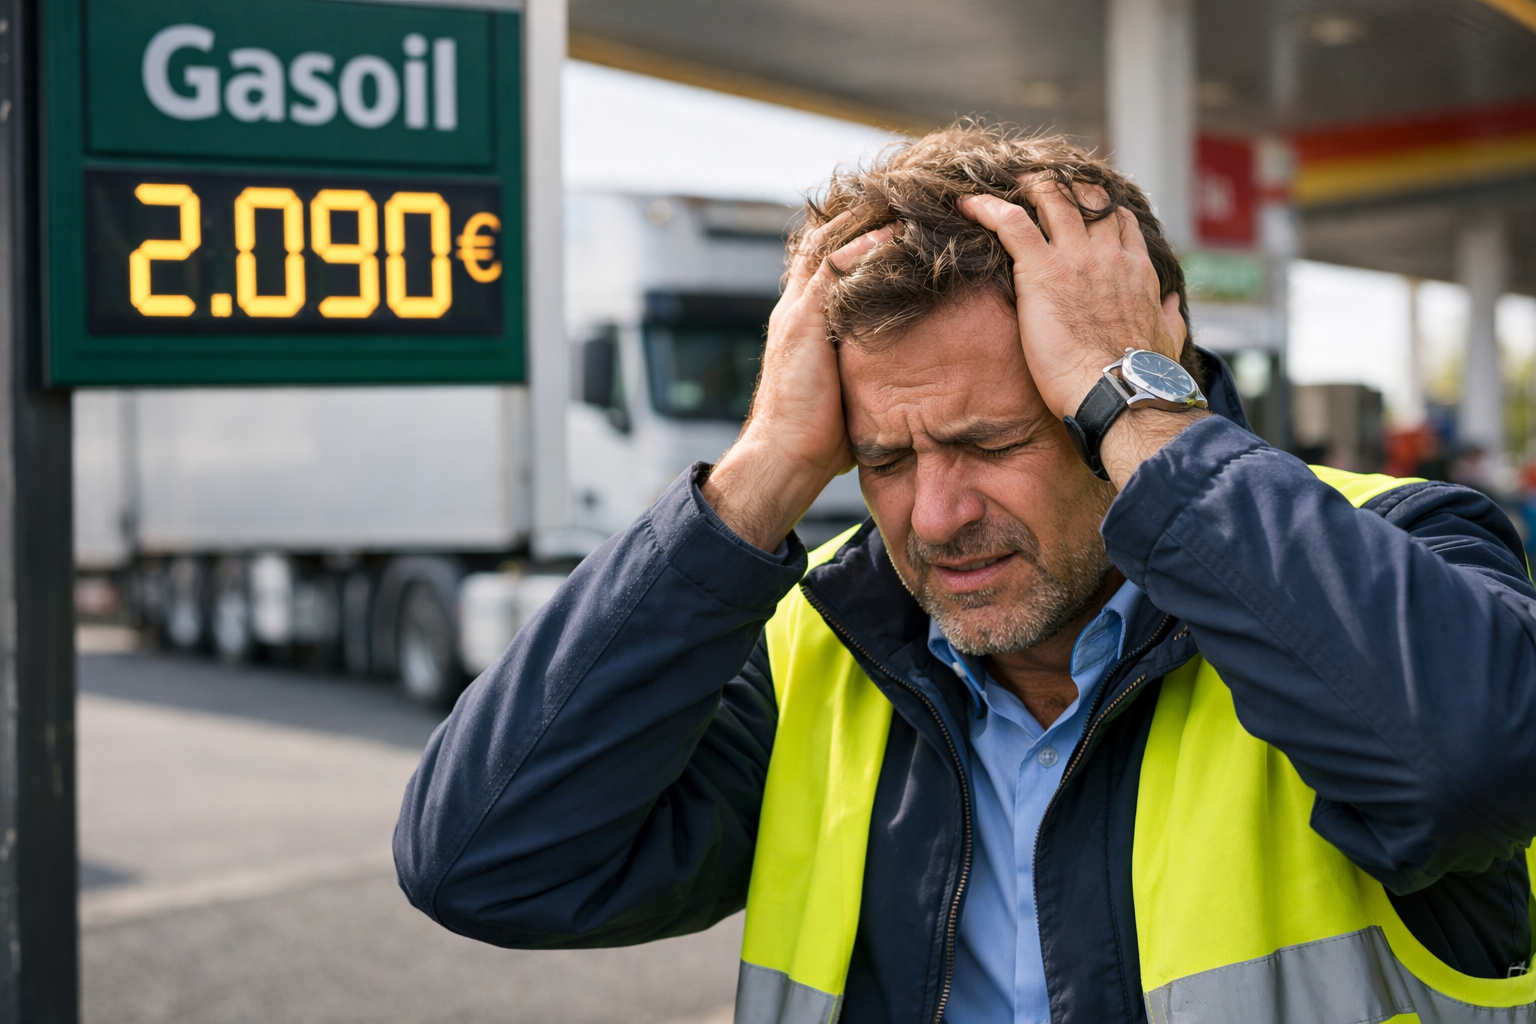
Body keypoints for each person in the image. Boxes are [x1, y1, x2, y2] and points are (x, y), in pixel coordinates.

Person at [394, 124, 1536, 1024]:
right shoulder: (827, 649)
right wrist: (761, 471)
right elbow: (483, 860)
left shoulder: (1401, 546)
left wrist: (1133, 397)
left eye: (993, 444)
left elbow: (1466, 775)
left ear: (1143, 381)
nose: (935, 517)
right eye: (884, 458)